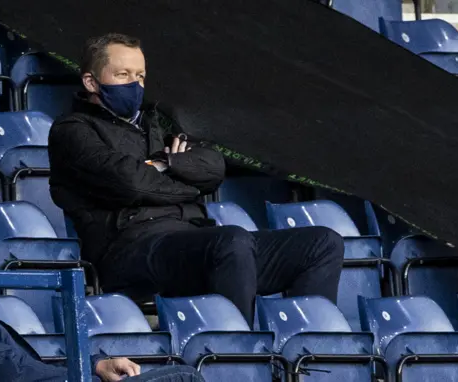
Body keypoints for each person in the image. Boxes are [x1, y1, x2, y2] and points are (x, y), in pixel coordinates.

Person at [48, 33, 344, 325]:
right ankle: (238, 360)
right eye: (123, 75)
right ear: (91, 82)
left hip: (193, 241)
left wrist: (163, 163)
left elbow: (213, 168)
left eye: (140, 76)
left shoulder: (154, 122)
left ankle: (306, 355)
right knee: (231, 240)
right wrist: (181, 179)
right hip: (130, 250)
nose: (135, 84)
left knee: (323, 242)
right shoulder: (72, 132)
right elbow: (130, 182)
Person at [0, 221, 204, 382]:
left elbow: (25, 366)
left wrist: (96, 364)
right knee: (182, 377)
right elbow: (11, 371)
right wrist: (86, 374)